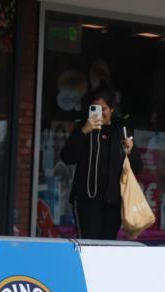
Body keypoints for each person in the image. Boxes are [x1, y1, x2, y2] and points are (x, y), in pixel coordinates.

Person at [60, 85, 141, 240]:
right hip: (86, 201)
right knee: (88, 243)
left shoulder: (121, 131)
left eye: (103, 109)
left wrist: (130, 152)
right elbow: (67, 157)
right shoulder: (83, 128)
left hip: (113, 203)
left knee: (107, 245)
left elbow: (137, 167)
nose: (99, 113)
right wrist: (84, 131)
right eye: (94, 109)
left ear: (111, 109)